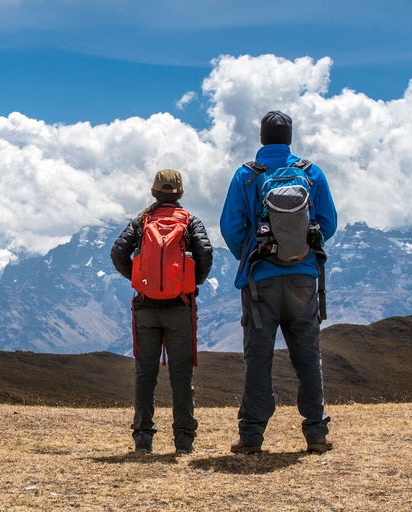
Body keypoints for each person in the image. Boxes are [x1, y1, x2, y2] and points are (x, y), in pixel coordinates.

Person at [219, 111, 338, 454]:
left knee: (259, 358)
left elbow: (231, 228)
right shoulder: (311, 173)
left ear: (262, 137)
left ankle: (251, 437)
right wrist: (300, 250)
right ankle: (316, 434)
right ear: (289, 137)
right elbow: (327, 223)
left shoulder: (246, 175)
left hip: (260, 283)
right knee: (308, 355)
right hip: (303, 279)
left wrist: (255, 254)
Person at [111, 169, 213, 455]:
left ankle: (143, 437)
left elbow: (118, 253)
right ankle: (184, 440)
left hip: (146, 306)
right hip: (180, 306)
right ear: (180, 194)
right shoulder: (190, 220)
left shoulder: (142, 221)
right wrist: (189, 284)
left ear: (154, 192)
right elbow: (205, 255)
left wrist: (139, 278)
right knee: (181, 375)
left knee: (146, 373)